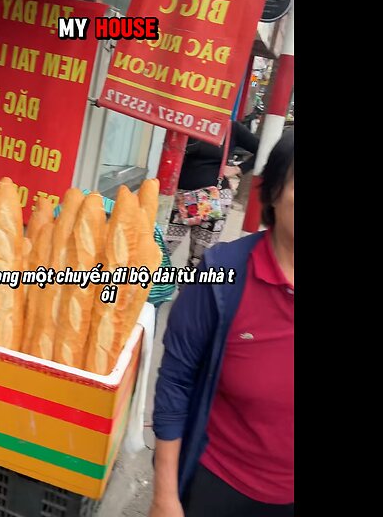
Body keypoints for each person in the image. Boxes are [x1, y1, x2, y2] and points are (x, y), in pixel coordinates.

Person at [149, 132, 294, 517]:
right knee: (173, 254)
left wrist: (236, 168)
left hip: (211, 204)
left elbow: (256, 139)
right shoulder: (223, 274)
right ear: (276, 191)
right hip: (221, 484)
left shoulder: (228, 125)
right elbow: (176, 380)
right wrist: (165, 495)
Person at [164, 120, 259, 269]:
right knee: (159, 249)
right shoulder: (184, 119)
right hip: (177, 197)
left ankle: (190, 292)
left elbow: (263, 148)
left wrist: (238, 169)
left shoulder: (230, 127)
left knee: (199, 259)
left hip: (211, 199)